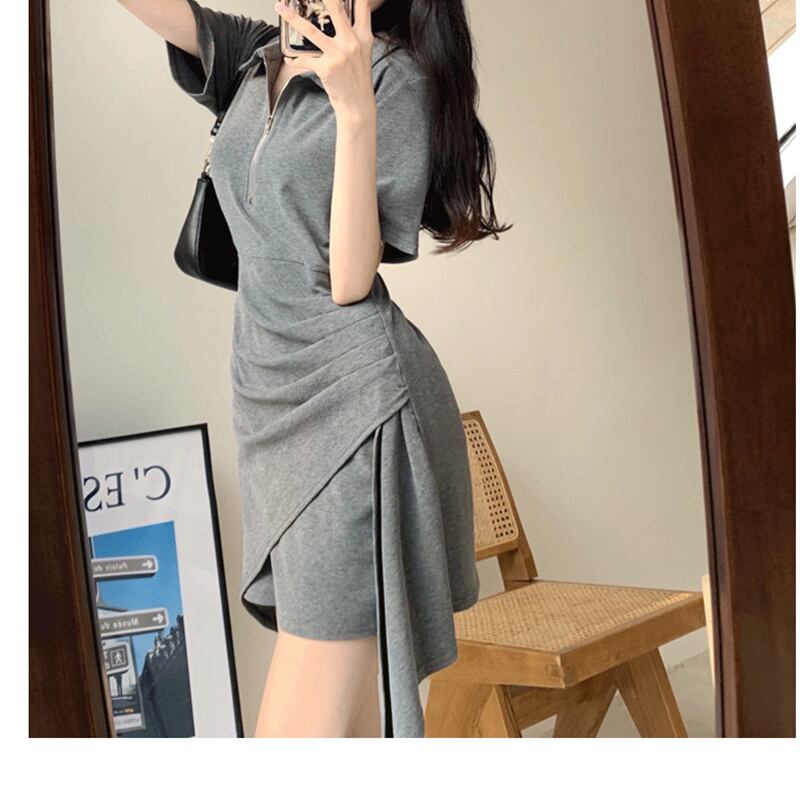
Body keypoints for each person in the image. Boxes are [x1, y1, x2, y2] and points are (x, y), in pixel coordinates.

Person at [117, 0, 509, 737]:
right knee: (346, 735)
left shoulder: (394, 78)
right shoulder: (252, 55)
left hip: (354, 411)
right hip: (268, 406)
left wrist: (354, 107)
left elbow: (350, 280)